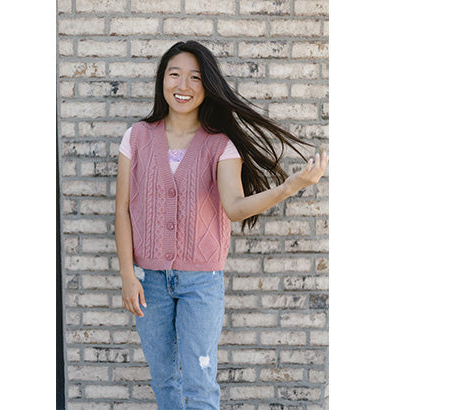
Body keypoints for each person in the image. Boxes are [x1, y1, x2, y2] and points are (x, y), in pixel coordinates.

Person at [115, 40, 328, 409]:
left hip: (201, 282)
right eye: (175, 74)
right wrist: (127, 276)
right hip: (148, 280)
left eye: (195, 77)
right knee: (164, 379)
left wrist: (291, 186)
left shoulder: (220, 145)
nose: (183, 86)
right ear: (161, 80)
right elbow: (122, 211)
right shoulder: (136, 137)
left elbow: (233, 207)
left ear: (207, 85)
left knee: (199, 382)